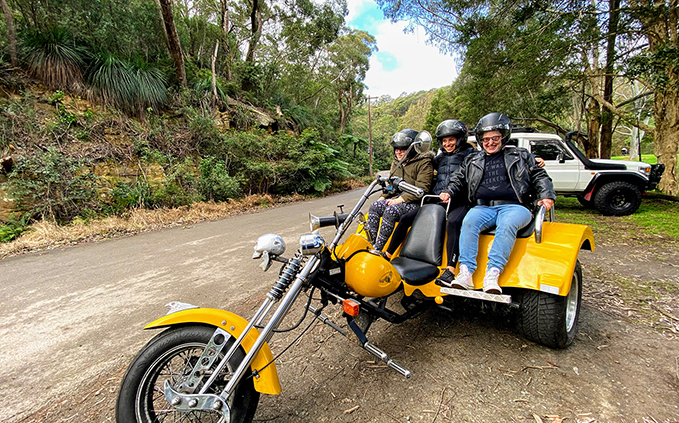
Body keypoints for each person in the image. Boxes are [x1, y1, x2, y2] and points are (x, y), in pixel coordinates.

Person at [439, 113, 555, 294]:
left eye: (495, 138)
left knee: (507, 224)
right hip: (484, 207)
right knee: (468, 221)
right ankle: (466, 272)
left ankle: (493, 273)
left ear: (503, 137)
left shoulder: (520, 155)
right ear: (480, 140)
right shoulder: (473, 159)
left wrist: (546, 195)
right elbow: (458, 178)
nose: (490, 142)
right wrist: (449, 191)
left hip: (515, 206)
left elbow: (539, 175)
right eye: (486, 139)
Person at [382, 120, 474, 266]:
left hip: (458, 201)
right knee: (406, 218)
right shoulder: (439, 159)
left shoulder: (471, 157)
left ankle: (450, 267)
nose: (447, 144)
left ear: (460, 139)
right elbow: (425, 166)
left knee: (454, 222)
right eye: (444, 140)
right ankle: (387, 254)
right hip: (436, 200)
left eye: (451, 139)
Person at [365, 129, 434, 253]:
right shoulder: (396, 163)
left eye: (402, 149)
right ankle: (370, 242)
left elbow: (422, 189)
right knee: (375, 206)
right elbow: (391, 185)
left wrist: (400, 200)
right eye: (396, 149)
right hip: (397, 200)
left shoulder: (424, 162)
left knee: (391, 211)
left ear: (411, 149)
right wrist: (383, 196)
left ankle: (378, 248)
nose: (399, 152)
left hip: (415, 203)